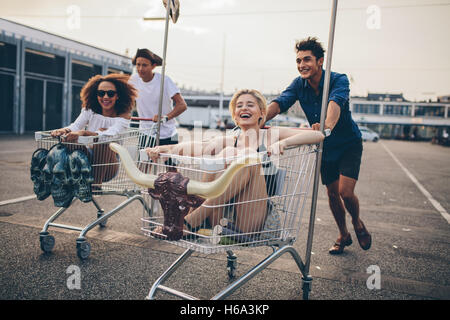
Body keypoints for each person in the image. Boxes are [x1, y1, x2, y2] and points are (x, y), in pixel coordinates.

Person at [146, 88, 324, 235]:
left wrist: (284, 142)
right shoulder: (231, 140)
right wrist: (163, 149)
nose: (244, 108)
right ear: (235, 115)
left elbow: (318, 135)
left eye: (250, 105)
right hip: (220, 216)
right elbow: (198, 146)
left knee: (247, 157)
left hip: (249, 218)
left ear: (262, 112)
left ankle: (190, 221)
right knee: (227, 151)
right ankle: (191, 220)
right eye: (239, 106)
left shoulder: (270, 135)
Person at [265, 37, 372, 254]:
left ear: (320, 61)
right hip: (324, 145)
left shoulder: (338, 79)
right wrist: (257, 121)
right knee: (332, 194)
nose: (302, 65)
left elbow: (335, 102)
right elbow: (281, 102)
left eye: (307, 59)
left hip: (347, 143)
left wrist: (327, 126)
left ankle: (358, 223)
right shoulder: (299, 84)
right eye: (298, 61)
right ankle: (343, 234)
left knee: (345, 192)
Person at [51, 73, 137, 184]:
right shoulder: (90, 110)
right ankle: (63, 179)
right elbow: (76, 126)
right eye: (101, 93)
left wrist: (86, 133)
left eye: (110, 94)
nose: (105, 97)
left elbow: (112, 134)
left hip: (107, 167)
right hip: (87, 160)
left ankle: (95, 185)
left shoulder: (123, 117)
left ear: (117, 96)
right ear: (96, 95)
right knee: (69, 139)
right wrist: (64, 130)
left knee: (103, 141)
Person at [129, 48, 187, 149]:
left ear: (153, 66)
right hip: (146, 133)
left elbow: (182, 105)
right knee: (143, 164)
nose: (140, 69)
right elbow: (125, 101)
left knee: (172, 164)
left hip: (170, 133)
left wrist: (165, 117)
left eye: (144, 65)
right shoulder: (133, 80)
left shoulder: (165, 80)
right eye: (138, 65)